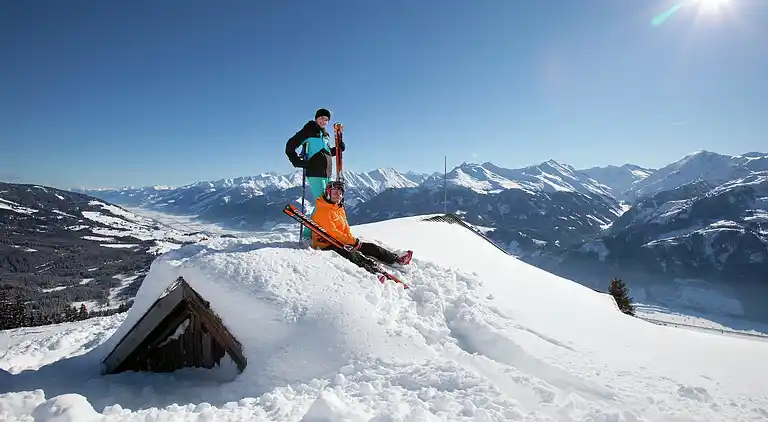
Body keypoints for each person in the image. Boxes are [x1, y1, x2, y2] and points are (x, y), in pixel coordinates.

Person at [312, 180, 413, 270]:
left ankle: (395, 259)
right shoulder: (323, 211)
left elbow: (345, 228)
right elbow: (333, 233)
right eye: (334, 193)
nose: (338, 196)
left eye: (340, 193)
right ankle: (374, 271)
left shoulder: (338, 208)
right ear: (328, 193)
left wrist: (351, 241)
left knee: (371, 247)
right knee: (353, 255)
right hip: (327, 244)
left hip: (342, 241)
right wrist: (352, 242)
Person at [285, 108, 345, 238]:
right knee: (321, 204)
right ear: (316, 118)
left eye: (326, 119)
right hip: (315, 173)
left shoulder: (325, 135)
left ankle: (323, 230)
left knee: (328, 203)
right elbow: (290, 146)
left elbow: (327, 153)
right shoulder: (308, 131)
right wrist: (298, 162)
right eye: (322, 118)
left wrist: (338, 150)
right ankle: (307, 235)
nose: (324, 121)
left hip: (327, 173)